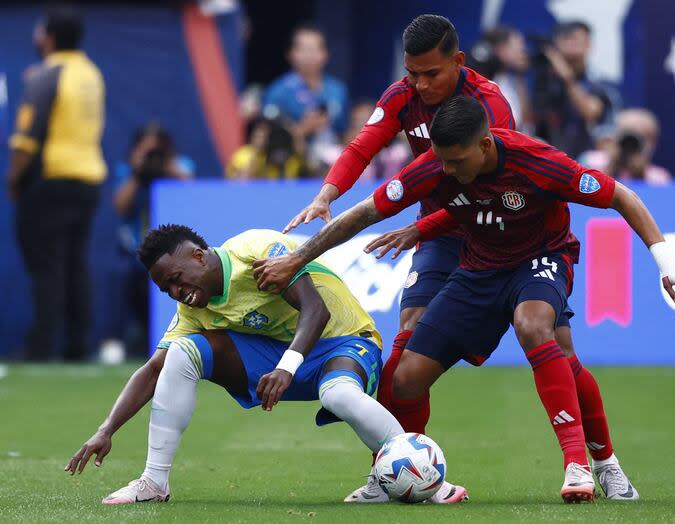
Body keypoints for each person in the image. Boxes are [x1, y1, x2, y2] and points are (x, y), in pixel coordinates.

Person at [253, 96, 675, 502]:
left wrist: (668, 263)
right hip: (478, 269)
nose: (447, 171)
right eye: (442, 161)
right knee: (406, 378)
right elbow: (365, 213)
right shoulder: (436, 164)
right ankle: (396, 470)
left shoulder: (539, 161)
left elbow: (623, 197)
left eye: (456, 161)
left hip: (541, 257)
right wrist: (298, 258)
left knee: (536, 327)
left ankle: (586, 464)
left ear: (486, 144)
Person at [283, 14, 514, 503]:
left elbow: (492, 186)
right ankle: (390, 472)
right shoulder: (401, 96)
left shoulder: (490, 104)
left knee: (550, 338)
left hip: (495, 235)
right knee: (405, 345)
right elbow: (363, 146)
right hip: (438, 233)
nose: (420, 84)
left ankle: (591, 462)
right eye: (412, 74)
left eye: (431, 74)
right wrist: (327, 195)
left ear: (458, 62)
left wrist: (416, 226)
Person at [65, 225, 409, 505]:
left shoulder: (256, 249)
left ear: (198, 256)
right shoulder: (192, 309)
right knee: (182, 351)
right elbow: (154, 369)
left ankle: (413, 469)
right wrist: (107, 428)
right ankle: (154, 482)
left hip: (344, 341)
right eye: (165, 288)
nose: (175, 291)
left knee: (339, 396)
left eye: (176, 277)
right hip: (280, 362)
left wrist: (286, 367)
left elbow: (316, 310)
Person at [6, 8, 106, 361]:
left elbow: (26, 139)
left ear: (47, 36)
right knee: (75, 265)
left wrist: (14, 177)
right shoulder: (92, 74)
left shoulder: (47, 74)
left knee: (47, 265)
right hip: (89, 179)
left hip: (50, 180)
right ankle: (78, 345)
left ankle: (42, 347)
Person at [113, 123, 195, 356]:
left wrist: (167, 167)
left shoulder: (180, 165)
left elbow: (193, 190)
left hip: (174, 250)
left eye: (156, 151)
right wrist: (139, 173)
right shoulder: (127, 172)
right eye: (145, 151)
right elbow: (121, 205)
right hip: (134, 251)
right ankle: (127, 340)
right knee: (127, 279)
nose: (152, 157)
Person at [262, 23, 348, 171]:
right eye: (303, 49)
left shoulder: (338, 90)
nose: (309, 55)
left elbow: (344, 131)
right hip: (290, 163)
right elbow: (266, 134)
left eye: (314, 49)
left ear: (325, 54)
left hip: (332, 164)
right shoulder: (278, 90)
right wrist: (302, 129)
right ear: (290, 53)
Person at [532, 21, 616, 157]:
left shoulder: (597, 81)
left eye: (575, 39)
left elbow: (590, 112)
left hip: (585, 158)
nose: (570, 44)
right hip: (547, 156)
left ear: (588, 44)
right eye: (565, 38)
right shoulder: (545, 78)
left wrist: (566, 77)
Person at [580, 109, 671, 185]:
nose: (629, 147)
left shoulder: (659, 178)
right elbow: (585, 193)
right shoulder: (590, 162)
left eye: (636, 140)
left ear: (652, 142)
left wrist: (640, 175)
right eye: (626, 136)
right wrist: (612, 166)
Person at [467, 26, 532, 133]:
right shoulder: (482, 80)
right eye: (519, 48)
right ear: (502, 50)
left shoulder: (508, 78)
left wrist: (521, 75)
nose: (523, 54)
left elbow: (522, 122)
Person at [226, 116, 307, 180]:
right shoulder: (244, 154)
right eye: (260, 136)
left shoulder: (288, 157)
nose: (264, 140)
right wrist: (256, 154)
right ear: (252, 136)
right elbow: (241, 183)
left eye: (267, 136)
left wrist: (296, 138)